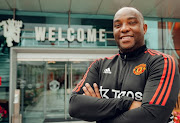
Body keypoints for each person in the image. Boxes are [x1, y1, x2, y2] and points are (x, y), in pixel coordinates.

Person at [69, 7, 180, 123]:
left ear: (144, 28)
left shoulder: (162, 62)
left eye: (132, 23)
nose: (124, 29)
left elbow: (152, 117)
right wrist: (127, 103)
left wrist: (100, 111)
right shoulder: (99, 65)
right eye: (118, 25)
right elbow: (75, 105)